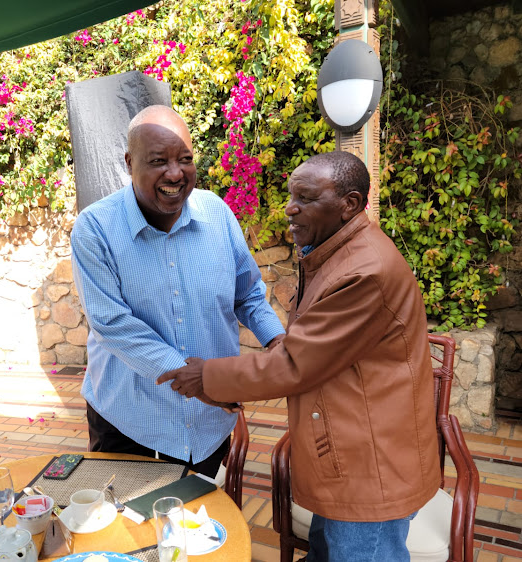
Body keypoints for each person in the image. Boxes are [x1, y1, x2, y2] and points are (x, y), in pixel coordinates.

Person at [158, 151, 441, 561]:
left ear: (350, 204)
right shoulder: (334, 251)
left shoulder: (365, 272)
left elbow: (295, 363)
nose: (290, 208)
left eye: (306, 198)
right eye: (292, 195)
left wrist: (206, 376)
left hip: (371, 466)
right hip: (350, 454)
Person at [70, 105, 285, 477]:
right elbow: (112, 324)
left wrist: (277, 341)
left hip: (208, 424)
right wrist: (194, 378)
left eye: (185, 159)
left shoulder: (217, 213)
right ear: (128, 162)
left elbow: (247, 293)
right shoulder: (95, 230)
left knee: (195, 529)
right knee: (128, 533)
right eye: (158, 161)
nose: (175, 173)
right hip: (129, 424)